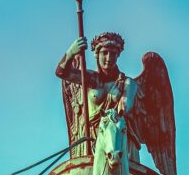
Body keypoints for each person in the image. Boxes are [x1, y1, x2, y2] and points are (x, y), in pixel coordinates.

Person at [56, 32, 142, 162]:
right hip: (92, 139)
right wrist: (72, 51)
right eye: (105, 53)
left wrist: (121, 103)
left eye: (113, 53)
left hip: (118, 140)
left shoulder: (127, 83)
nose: (109, 57)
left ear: (118, 55)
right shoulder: (89, 79)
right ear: (97, 54)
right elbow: (61, 72)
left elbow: (124, 109)